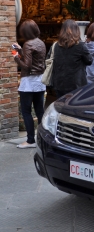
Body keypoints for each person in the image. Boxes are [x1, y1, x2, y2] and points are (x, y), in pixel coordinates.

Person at [12, 20, 46, 149]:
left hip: (28, 82)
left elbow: (27, 65)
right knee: (40, 111)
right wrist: (21, 51)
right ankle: (43, 138)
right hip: (39, 81)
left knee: (26, 112)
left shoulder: (28, 44)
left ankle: (30, 140)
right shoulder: (41, 42)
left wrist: (17, 58)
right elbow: (34, 59)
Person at [49, 19, 93, 98]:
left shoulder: (55, 46)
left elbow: (49, 60)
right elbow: (89, 60)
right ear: (76, 30)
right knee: (75, 107)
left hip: (59, 84)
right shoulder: (80, 46)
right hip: (76, 85)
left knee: (61, 107)